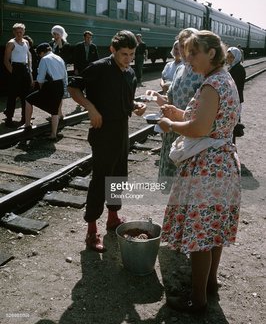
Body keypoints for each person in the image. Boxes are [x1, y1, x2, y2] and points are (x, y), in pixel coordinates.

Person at [158, 31, 241, 313]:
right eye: (187, 52)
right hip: (222, 165)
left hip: (207, 167)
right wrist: (179, 112)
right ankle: (210, 284)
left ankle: (197, 300)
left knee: (200, 236)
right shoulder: (222, 79)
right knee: (213, 232)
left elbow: (199, 129)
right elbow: (204, 119)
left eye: (194, 53)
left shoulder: (211, 85)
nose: (188, 58)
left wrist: (171, 123)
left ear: (212, 54)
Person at [67, 30, 146, 252]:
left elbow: (126, 101)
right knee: (100, 179)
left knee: (119, 174)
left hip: (122, 131)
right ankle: (91, 231)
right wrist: (91, 108)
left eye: (132, 54)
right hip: (102, 131)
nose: (128, 59)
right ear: (112, 50)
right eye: (124, 54)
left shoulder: (130, 72)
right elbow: (73, 87)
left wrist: (136, 107)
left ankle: (113, 217)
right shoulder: (99, 67)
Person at [146, 28, 203, 190]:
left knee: (184, 186)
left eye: (186, 48)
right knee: (170, 184)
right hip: (171, 132)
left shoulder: (202, 73)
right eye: (179, 47)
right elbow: (170, 100)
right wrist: (157, 99)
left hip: (188, 132)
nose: (183, 53)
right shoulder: (179, 69)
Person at [21, 43, 67, 140]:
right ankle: (53, 134)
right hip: (60, 85)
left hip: (50, 86)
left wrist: (41, 88)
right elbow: (65, 75)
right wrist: (64, 89)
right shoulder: (59, 58)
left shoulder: (44, 59)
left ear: (42, 52)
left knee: (28, 99)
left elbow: (41, 78)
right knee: (54, 110)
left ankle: (27, 124)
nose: (39, 56)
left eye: (39, 54)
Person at [3, 23, 33, 128]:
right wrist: (13, 72)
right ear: (14, 32)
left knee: (26, 96)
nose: (19, 34)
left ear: (24, 32)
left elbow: (28, 57)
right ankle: (9, 119)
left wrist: (30, 70)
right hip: (15, 68)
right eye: (17, 32)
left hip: (25, 69)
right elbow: (6, 60)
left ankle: (25, 119)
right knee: (12, 95)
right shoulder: (11, 43)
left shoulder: (26, 42)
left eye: (21, 32)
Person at [49, 25, 71, 119]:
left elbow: (65, 58)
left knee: (59, 92)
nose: (55, 36)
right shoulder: (50, 44)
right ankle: (55, 114)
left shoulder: (66, 45)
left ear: (61, 34)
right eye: (54, 34)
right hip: (51, 70)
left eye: (57, 34)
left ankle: (59, 113)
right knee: (53, 93)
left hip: (60, 71)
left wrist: (60, 46)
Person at [226, 46, 246, 143]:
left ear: (237, 57)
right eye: (228, 56)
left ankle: (232, 147)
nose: (229, 59)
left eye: (231, 57)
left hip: (235, 101)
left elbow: (236, 87)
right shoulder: (233, 67)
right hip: (232, 100)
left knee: (232, 125)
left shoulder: (238, 69)